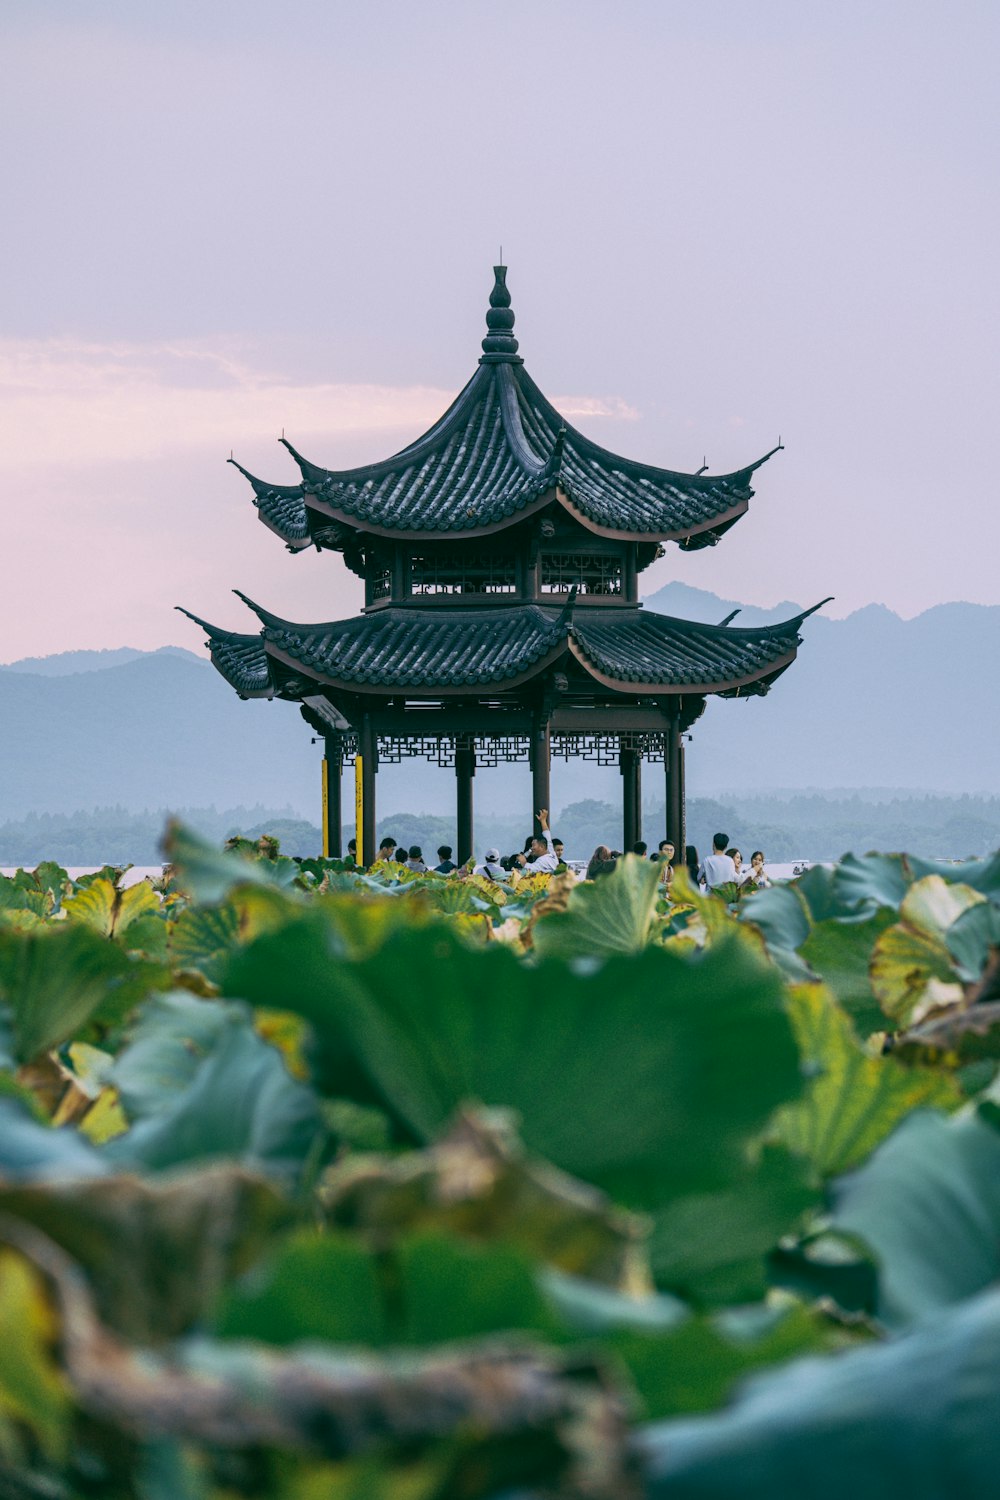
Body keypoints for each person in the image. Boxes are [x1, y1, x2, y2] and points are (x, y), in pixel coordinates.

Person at [514, 810, 559, 874]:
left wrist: (523, 862)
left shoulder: (542, 861)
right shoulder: (551, 853)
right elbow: (547, 835)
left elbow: (531, 869)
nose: (531, 848)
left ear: (542, 846)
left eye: (533, 845)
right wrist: (543, 821)